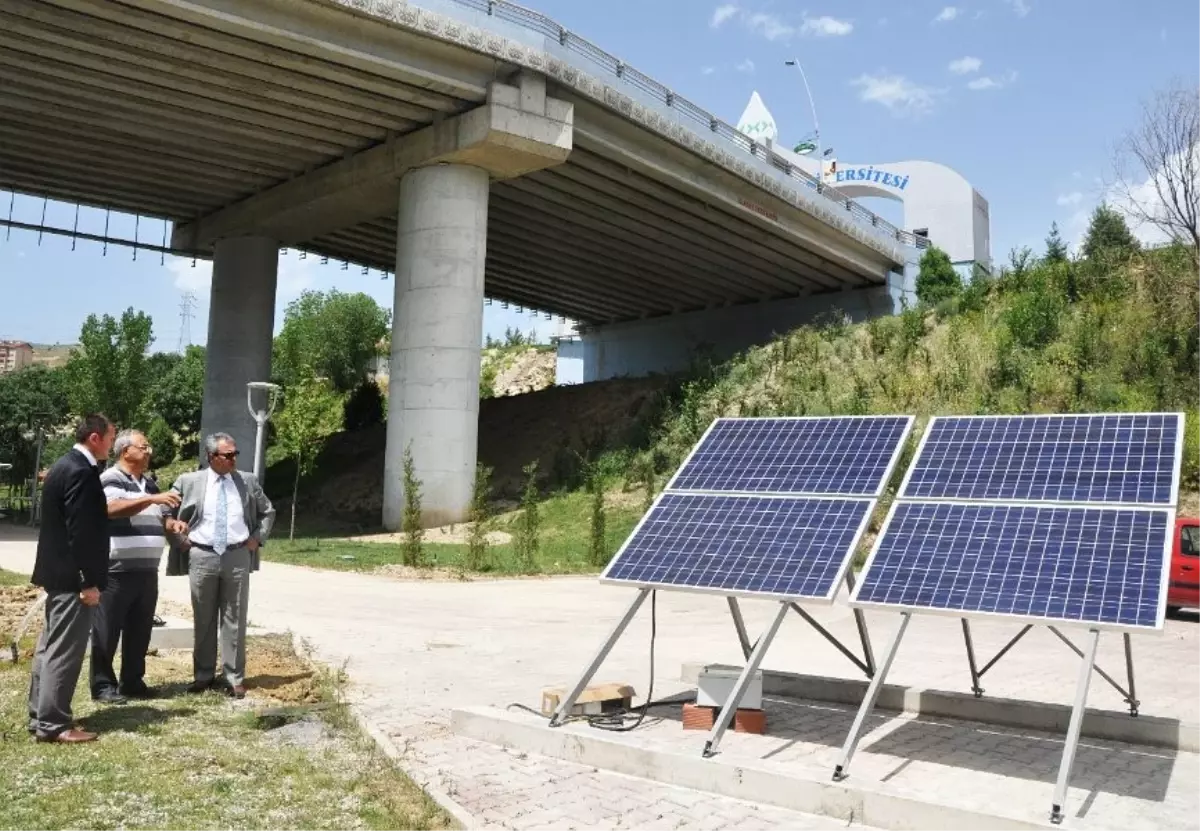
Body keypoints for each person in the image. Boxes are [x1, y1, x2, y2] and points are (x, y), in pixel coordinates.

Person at [27, 414, 115, 743]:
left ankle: (41, 716)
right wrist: (87, 581)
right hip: (72, 580)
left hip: (59, 576)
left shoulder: (63, 465)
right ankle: (54, 724)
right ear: (95, 438)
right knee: (64, 652)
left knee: (49, 649)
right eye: (110, 437)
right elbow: (80, 533)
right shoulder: (81, 471)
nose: (112, 444)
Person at [166, 432, 275, 699]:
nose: (233, 460)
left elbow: (267, 511)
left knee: (235, 617)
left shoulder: (247, 481)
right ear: (211, 457)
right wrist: (180, 540)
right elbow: (166, 512)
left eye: (235, 454)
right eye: (227, 456)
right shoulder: (189, 481)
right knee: (203, 617)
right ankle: (203, 675)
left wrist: (257, 538)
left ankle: (234, 677)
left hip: (237, 555)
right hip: (202, 554)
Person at [90, 429, 185, 704]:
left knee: (140, 629)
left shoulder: (150, 484)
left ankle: (132, 681)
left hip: (146, 570)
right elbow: (111, 508)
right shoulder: (110, 478)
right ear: (125, 451)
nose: (149, 451)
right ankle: (103, 685)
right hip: (116, 569)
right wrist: (151, 500)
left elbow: (163, 518)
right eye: (144, 447)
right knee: (107, 630)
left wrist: (173, 525)